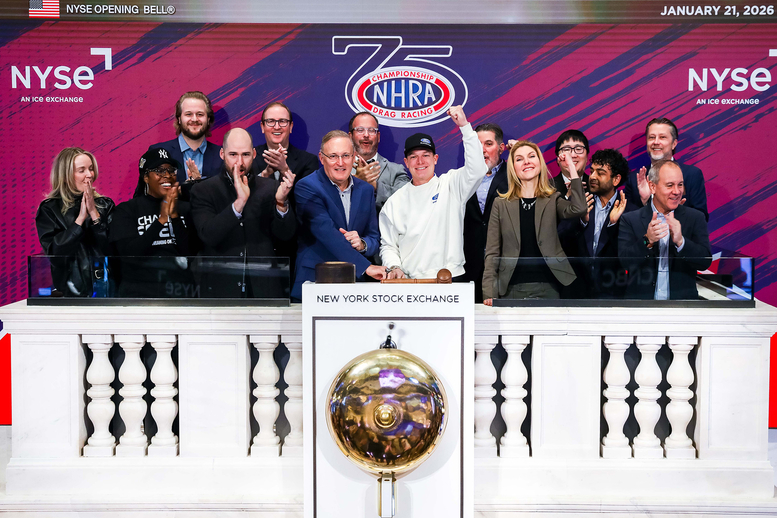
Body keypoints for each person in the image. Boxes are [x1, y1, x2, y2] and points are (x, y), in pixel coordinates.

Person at [379, 105, 488, 280]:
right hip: (410, 281)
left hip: (451, 278)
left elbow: (477, 169)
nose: (420, 161)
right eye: (414, 157)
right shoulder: (394, 201)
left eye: (426, 155)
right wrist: (393, 266)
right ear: (406, 162)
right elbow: (389, 245)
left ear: (435, 159)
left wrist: (465, 127)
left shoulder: (452, 185)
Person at [190, 128, 296, 298]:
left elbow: (285, 237)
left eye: (245, 154)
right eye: (233, 154)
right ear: (222, 154)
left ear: (254, 154)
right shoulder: (203, 190)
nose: (239, 162)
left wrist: (281, 203)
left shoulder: (270, 188)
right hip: (220, 290)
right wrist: (239, 203)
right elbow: (209, 235)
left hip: (265, 289)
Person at [482, 142, 586, 304]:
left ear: (540, 163)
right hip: (511, 287)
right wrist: (489, 291)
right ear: (513, 167)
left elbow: (578, 208)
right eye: (519, 159)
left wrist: (572, 169)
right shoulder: (501, 204)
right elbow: (492, 252)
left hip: (550, 286)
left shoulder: (553, 199)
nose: (527, 162)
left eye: (531, 156)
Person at [292, 130, 385, 300]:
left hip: (354, 287)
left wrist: (362, 244)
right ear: (321, 158)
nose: (340, 163)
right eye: (333, 156)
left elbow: (373, 236)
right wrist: (367, 267)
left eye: (346, 156)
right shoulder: (307, 187)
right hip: (316, 281)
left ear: (354, 157)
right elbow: (326, 233)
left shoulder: (365, 190)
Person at [109, 148, 197, 298]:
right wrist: (161, 220)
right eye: (159, 171)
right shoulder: (127, 210)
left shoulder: (186, 208)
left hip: (181, 295)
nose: (167, 176)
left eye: (171, 170)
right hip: (139, 296)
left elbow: (191, 253)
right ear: (145, 177)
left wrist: (174, 216)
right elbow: (128, 255)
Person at [619, 159, 711, 300]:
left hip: (682, 307)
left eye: (680, 185)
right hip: (640, 307)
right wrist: (647, 240)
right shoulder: (630, 219)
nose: (677, 191)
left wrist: (681, 242)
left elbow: (705, 262)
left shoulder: (695, 218)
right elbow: (624, 262)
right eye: (670, 185)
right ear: (652, 186)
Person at [35, 147, 115, 297]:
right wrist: (79, 220)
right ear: (65, 175)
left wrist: (94, 214)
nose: (89, 175)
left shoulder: (105, 205)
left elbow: (113, 249)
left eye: (91, 169)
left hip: (107, 288)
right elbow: (55, 254)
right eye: (81, 170)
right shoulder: (50, 209)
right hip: (70, 292)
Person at [624, 117, 708, 221]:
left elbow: (701, 218)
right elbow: (627, 222)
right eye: (651, 137)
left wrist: (674, 211)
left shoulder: (691, 175)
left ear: (674, 144)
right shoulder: (634, 179)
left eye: (662, 137)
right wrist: (646, 202)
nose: (656, 142)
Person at [575, 149, 632, 298]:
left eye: (600, 173)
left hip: (613, 293)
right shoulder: (581, 203)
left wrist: (613, 224)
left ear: (616, 179)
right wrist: (582, 220)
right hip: (579, 293)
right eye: (592, 171)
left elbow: (628, 256)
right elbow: (563, 242)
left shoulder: (630, 212)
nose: (592, 176)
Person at [463, 123, 509, 302]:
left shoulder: (515, 176)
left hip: (504, 265)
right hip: (468, 266)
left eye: (488, 144)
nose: (482, 150)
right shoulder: (461, 177)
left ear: (501, 148)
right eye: (477, 144)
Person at [148, 91, 223, 186]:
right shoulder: (157, 153)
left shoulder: (222, 156)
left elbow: (228, 198)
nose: (195, 119)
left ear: (208, 119)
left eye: (200, 114)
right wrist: (184, 190)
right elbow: (143, 198)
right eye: (188, 114)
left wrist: (200, 186)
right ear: (179, 119)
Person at [349, 111, 409, 213]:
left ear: (378, 137)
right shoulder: (339, 167)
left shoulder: (395, 170)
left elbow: (407, 200)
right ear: (350, 136)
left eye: (372, 130)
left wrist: (374, 185)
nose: (366, 135)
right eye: (360, 130)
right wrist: (354, 183)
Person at [253, 101, 319, 184]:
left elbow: (307, 195)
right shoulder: (250, 157)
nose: (277, 127)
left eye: (282, 121)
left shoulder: (308, 161)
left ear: (291, 127)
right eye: (271, 121)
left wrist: (285, 171)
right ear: (262, 127)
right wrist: (264, 175)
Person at [553, 129, 590, 197]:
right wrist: (568, 196)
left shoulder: (597, 186)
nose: (573, 155)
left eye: (578, 149)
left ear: (587, 156)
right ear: (557, 158)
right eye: (566, 150)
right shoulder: (546, 187)